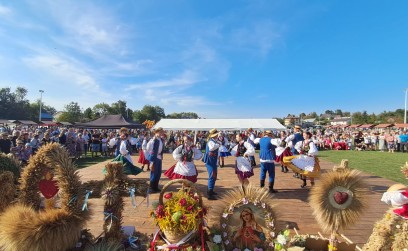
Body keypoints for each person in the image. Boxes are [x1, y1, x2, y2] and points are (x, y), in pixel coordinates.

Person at [202, 128, 221, 200]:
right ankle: (209, 193)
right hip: (210, 161)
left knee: (214, 175)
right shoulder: (211, 141)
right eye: (216, 135)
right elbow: (211, 148)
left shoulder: (214, 141)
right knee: (212, 176)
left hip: (213, 160)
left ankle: (211, 190)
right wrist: (218, 144)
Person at [146, 127, 165, 193]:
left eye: (161, 132)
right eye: (159, 132)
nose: (160, 134)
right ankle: (151, 187)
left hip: (159, 157)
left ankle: (156, 187)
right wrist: (152, 158)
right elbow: (148, 148)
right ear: (156, 132)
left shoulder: (161, 140)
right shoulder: (153, 140)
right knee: (153, 172)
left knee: (158, 172)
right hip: (154, 158)